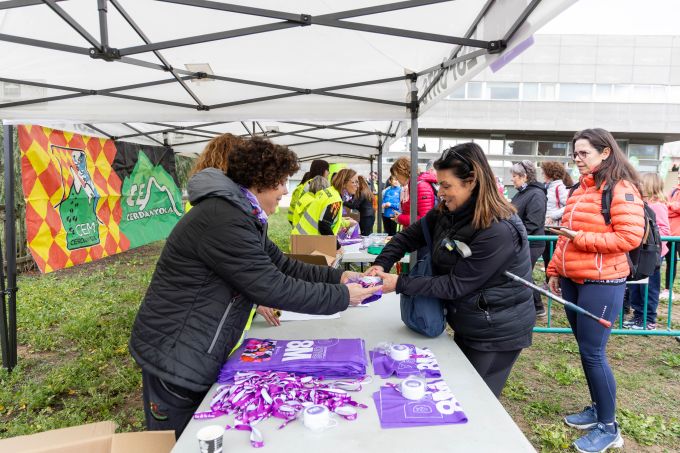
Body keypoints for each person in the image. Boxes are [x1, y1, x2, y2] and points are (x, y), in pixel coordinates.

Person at [129, 136, 380, 438]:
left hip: (193, 349)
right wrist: (343, 296)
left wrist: (338, 278)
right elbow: (272, 287)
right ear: (260, 181)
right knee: (182, 440)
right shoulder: (223, 219)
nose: (286, 191)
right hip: (175, 359)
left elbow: (282, 264)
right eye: (282, 182)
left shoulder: (240, 214)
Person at [366, 142, 536, 397]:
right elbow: (408, 236)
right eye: (439, 184)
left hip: (496, 331)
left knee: (476, 400)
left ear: (472, 181)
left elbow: (455, 284)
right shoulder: (448, 211)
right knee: (458, 390)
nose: (440, 193)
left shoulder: (498, 229)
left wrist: (398, 283)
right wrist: (382, 263)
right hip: (471, 319)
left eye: (446, 186)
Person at [546, 128, 644, 453]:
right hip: (574, 281)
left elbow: (629, 238)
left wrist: (580, 239)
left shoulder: (621, 187)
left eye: (584, 152)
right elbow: (564, 235)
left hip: (604, 283)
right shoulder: (578, 189)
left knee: (593, 353)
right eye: (575, 153)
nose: (577, 158)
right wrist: (554, 269)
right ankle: (596, 408)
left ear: (605, 153)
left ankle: (609, 426)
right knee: (586, 351)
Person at [624, 173, 669, 331]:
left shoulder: (658, 206)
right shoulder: (642, 204)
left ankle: (649, 319)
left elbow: (664, 231)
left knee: (649, 288)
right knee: (636, 286)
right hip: (641, 253)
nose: (639, 186)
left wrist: (652, 243)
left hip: (652, 255)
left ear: (650, 185)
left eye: (642, 183)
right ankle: (638, 316)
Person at [511, 160, 548, 317]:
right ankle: (535, 306)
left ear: (524, 176)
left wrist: (515, 236)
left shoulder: (536, 194)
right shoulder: (522, 192)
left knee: (523, 274)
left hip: (532, 243)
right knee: (523, 274)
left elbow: (533, 222)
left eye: (514, 176)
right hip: (523, 240)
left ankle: (537, 307)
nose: (512, 179)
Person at [293, 168, 358, 244]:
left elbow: (323, 217)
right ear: (344, 183)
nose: (358, 186)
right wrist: (337, 246)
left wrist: (341, 219)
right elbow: (324, 225)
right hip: (307, 242)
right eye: (355, 182)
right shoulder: (335, 199)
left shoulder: (330, 191)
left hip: (301, 239)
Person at [541, 161, 574, 284]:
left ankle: (555, 283)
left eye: (544, 171)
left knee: (552, 256)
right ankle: (548, 281)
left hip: (555, 228)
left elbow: (569, 205)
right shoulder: (549, 186)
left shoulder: (559, 187)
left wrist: (552, 216)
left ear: (550, 173)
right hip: (548, 227)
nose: (542, 174)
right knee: (546, 256)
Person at [390, 157, 437, 227]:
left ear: (404, 172)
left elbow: (425, 219)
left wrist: (400, 218)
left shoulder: (421, 186)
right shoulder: (414, 185)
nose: (396, 178)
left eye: (396, 175)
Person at [287, 159, 329, 225]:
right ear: (322, 170)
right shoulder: (317, 184)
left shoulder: (308, 183)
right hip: (303, 221)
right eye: (327, 170)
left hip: (295, 218)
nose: (328, 172)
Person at [663, 171, 680, 300]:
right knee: (670, 262)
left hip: (678, 234)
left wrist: (669, 206)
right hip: (670, 234)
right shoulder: (673, 190)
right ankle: (668, 289)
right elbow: (664, 206)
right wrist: (671, 207)